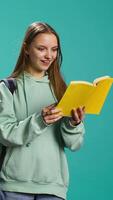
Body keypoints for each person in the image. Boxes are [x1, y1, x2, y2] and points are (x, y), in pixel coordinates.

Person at [0, 22, 85, 200]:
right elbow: (5, 134)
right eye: (41, 49)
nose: (49, 56)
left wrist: (73, 124)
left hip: (53, 188)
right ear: (26, 49)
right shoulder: (8, 88)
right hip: (14, 186)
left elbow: (74, 144)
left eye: (54, 50)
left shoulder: (62, 91)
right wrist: (41, 120)